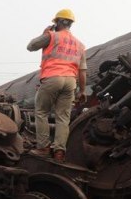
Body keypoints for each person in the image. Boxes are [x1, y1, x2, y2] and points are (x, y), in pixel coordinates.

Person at [27, 8, 87, 163]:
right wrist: (82, 91)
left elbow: (31, 46)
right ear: (71, 24)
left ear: (59, 22)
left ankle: (43, 148)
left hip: (53, 78)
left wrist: (44, 33)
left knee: (41, 112)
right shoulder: (80, 45)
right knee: (63, 118)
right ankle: (59, 152)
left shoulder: (52, 36)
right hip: (70, 82)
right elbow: (82, 71)